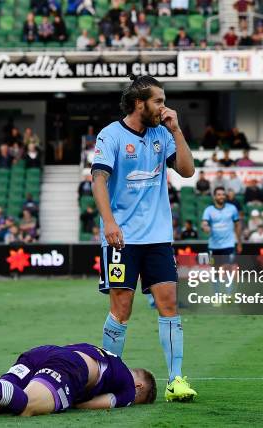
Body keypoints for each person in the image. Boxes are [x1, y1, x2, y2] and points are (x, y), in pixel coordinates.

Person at [91, 74, 197, 402]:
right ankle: (111, 378)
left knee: (169, 305)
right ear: (140, 103)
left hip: (157, 238)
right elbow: (98, 180)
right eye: (159, 101)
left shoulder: (162, 134)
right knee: (122, 309)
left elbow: (188, 170)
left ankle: (176, 380)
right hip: (122, 238)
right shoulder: (110, 135)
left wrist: (177, 130)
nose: (164, 107)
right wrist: (109, 223)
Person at [0, 342, 156, 422]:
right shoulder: (127, 385)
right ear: (140, 387)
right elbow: (101, 404)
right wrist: (67, 402)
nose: (133, 401)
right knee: (27, 405)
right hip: (69, 367)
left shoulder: (108, 357)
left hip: (41, 353)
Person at [201, 186, 242, 260]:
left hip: (229, 245)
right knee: (214, 270)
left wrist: (239, 243)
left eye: (223, 194)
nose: (221, 196)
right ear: (214, 197)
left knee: (227, 268)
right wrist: (205, 228)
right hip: (213, 246)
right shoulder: (208, 210)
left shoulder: (232, 208)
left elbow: (238, 225)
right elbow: (204, 223)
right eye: (219, 194)